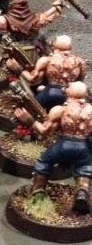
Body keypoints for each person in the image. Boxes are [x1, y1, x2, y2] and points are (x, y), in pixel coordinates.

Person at [28, 81, 92, 214]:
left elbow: (44, 131)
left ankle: (38, 191)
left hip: (63, 145)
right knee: (84, 168)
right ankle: (82, 191)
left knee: (44, 162)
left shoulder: (60, 109)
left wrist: (31, 121)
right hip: (83, 148)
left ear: (71, 93)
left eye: (68, 86)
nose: (65, 86)